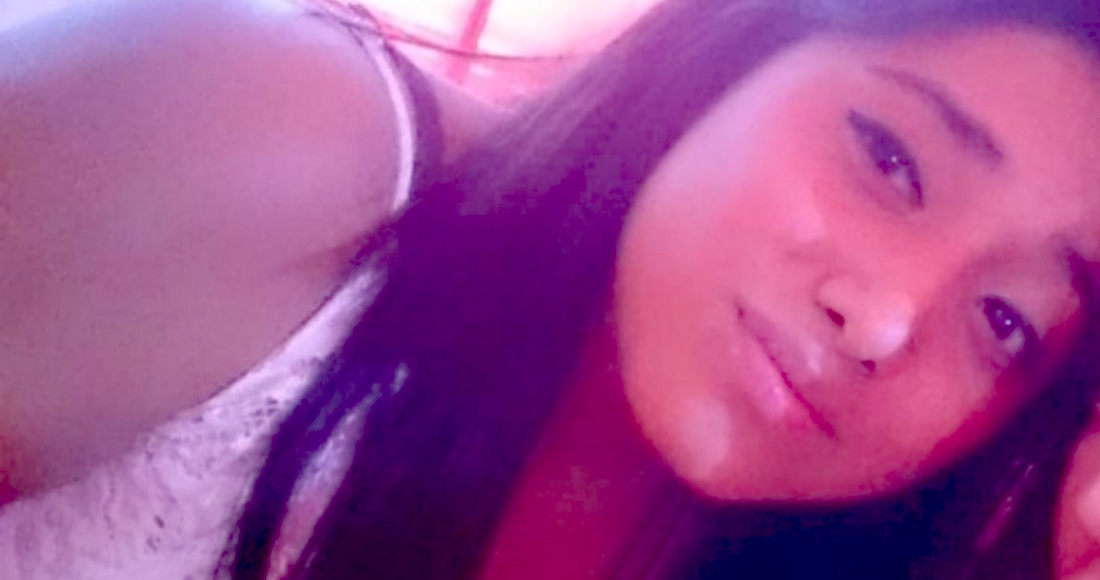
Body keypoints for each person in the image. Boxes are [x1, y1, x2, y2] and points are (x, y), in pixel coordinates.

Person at [2, 1, 1100, 580]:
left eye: (1007, 322)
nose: (885, 320)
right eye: (888, 158)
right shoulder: (272, 138)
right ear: (735, 43)